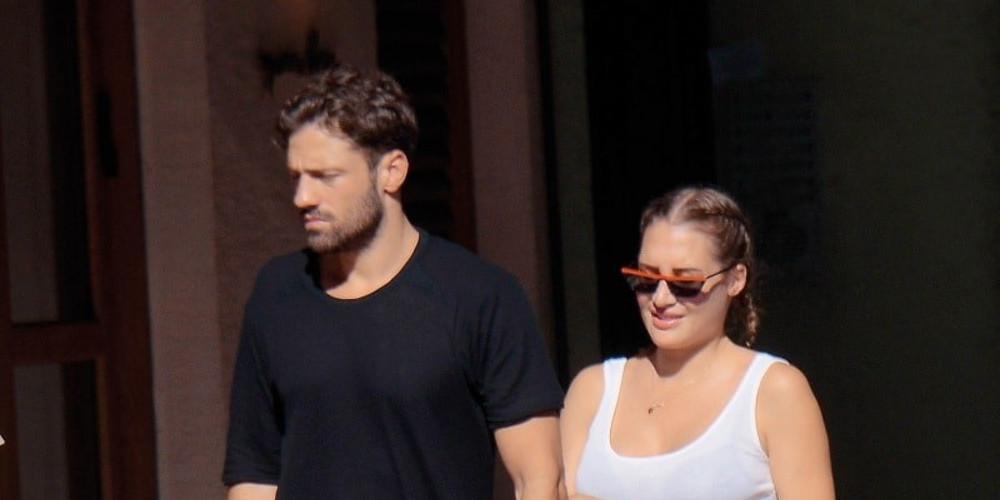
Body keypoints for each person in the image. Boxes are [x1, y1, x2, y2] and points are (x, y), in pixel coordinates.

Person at [223, 66, 565, 499]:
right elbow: (254, 473)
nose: (302, 197)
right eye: (296, 177)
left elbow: (539, 478)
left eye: (325, 176)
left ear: (392, 171)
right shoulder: (276, 293)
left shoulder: (481, 296)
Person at [561, 187, 833, 499]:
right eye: (646, 279)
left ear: (735, 280)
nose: (661, 299)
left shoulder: (773, 391)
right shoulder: (593, 390)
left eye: (685, 283)